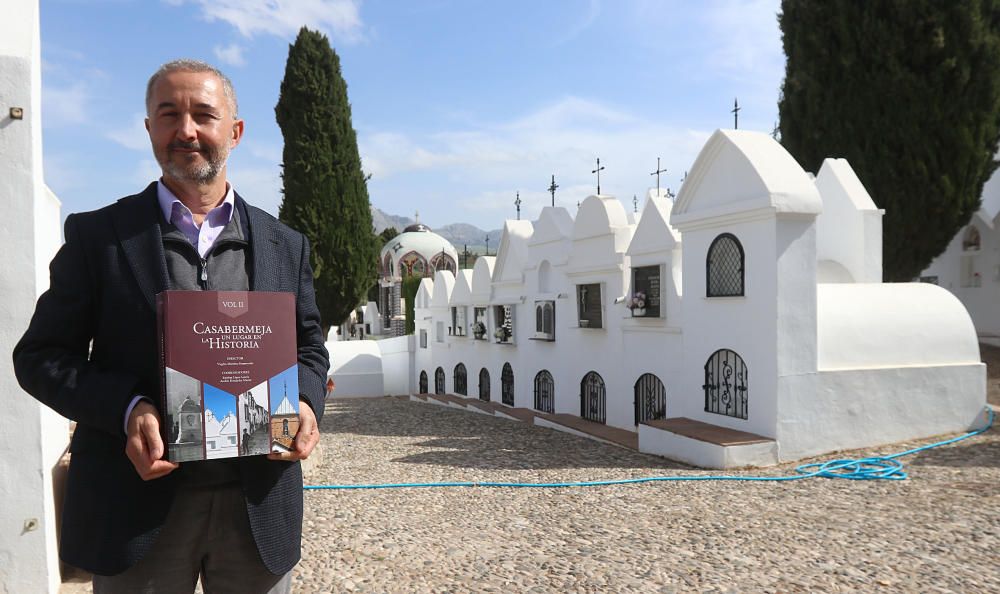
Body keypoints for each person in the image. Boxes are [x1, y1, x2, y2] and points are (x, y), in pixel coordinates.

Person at [13, 59, 329, 593]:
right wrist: (126, 409)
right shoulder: (99, 238)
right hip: (136, 508)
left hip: (257, 507)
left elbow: (311, 350)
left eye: (204, 115)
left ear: (235, 131)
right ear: (149, 129)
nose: (187, 130)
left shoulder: (284, 244)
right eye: (169, 114)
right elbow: (40, 357)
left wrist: (303, 402)